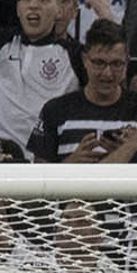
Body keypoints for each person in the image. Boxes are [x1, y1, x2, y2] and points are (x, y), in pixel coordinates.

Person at [30, 21, 137, 163]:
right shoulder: (55, 110)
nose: (107, 73)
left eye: (116, 64)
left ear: (127, 62)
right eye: (99, 63)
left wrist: (128, 152)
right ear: (85, 59)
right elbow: (39, 175)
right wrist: (70, 164)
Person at [0, 0, 81, 158]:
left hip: (49, 165)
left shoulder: (76, 56)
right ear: (17, 9)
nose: (33, 5)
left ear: (58, 10)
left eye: (43, 0)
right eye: (26, 0)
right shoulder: (3, 44)